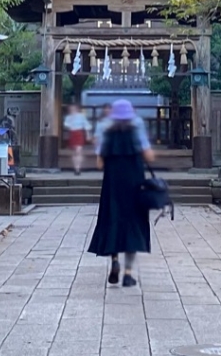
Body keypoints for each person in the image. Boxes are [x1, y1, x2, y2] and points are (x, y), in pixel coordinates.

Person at [88, 98, 154, 287]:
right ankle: (127, 273)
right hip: (134, 183)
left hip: (113, 185)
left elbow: (99, 163)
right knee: (133, 223)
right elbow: (148, 155)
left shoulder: (106, 131)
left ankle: (114, 260)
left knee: (113, 220)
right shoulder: (137, 129)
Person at [63, 99, 90, 173]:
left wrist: (88, 135)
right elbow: (66, 125)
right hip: (72, 133)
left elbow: (86, 125)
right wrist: (71, 119)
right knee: (74, 152)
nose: (73, 109)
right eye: (71, 108)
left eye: (74, 108)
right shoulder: (68, 117)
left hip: (79, 133)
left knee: (79, 150)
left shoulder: (81, 116)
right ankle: (75, 167)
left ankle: (78, 168)